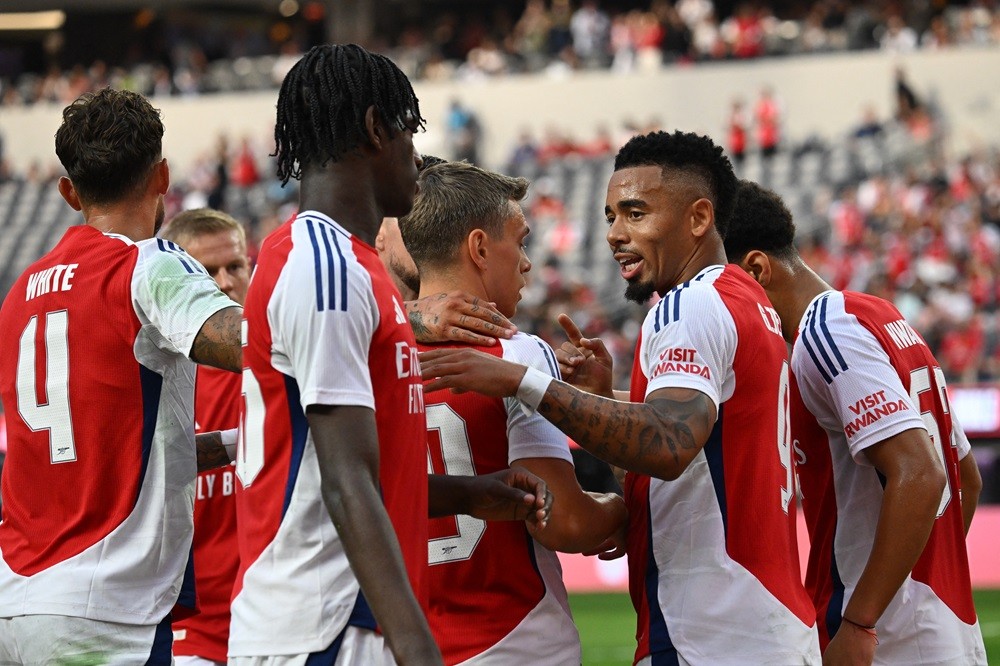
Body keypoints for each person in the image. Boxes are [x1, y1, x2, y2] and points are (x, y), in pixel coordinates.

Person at [420, 130, 821, 664]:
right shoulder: (747, 300)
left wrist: (526, 382)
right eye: (611, 216)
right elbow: (679, 454)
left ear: (699, 219)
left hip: (711, 630)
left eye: (634, 213)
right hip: (757, 620)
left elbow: (670, 445)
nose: (613, 234)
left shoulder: (687, 306)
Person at [230, 44, 549, 666]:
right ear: (377, 128)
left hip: (329, 619)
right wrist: (414, 643)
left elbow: (356, 471)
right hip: (326, 622)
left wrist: (468, 492)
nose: (415, 153)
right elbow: (346, 481)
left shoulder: (341, 261)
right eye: (409, 127)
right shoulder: (327, 269)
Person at [0, 88, 242, 664]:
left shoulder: (18, 294)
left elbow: (117, 445)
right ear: (162, 176)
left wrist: (242, 441)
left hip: (14, 597)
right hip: (99, 614)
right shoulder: (147, 265)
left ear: (67, 191)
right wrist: (396, 321)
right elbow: (256, 343)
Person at [724, 180, 987, 665]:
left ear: (756, 270)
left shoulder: (826, 333)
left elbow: (923, 473)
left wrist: (862, 619)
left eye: (721, 288)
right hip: (935, 628)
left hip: (890, 642)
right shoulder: (880, 317)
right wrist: (921, 577)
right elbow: (964, 481)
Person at [400, 160, 627, 664]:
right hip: (514, 635)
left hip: (410, 643)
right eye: (519, 241)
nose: (526, 262)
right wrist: (620, 512)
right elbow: (560, 521)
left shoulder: (370, 351)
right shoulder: (516, 352)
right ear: (480, 248)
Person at [161, 208, 250, 666]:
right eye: (206, 272)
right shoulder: (156, 387)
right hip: (188, 636)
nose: (224, 283)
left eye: (235, 266)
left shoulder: (282, 375)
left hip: (274, 628)